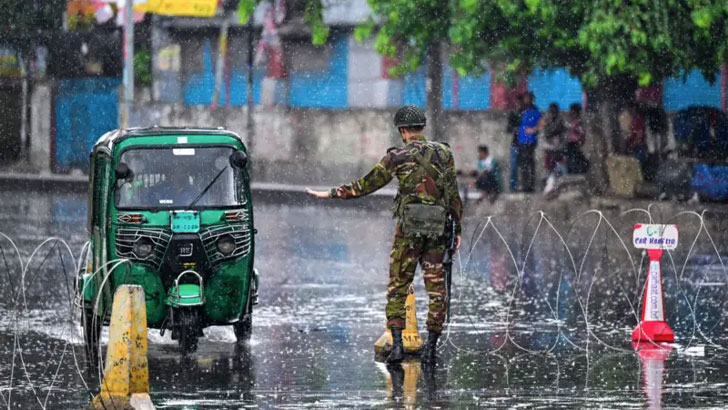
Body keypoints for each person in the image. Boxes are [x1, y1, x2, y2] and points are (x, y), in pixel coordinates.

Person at [305, 105, 463, 364]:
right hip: (438, 232)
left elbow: (366, 185)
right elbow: (453, 195)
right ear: (422, 127)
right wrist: (458, 229)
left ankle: (398, 346)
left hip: (408, 233)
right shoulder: (444, 154)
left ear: (402, 130)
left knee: (398, 287)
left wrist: (332, 193)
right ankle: (432, 348)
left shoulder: (396, 157)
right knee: (437, 291)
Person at [517, 92, 541, 192]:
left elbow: (541, 123)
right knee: (523, 164)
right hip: (521, 141)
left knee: (529, 163)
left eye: (528, 98)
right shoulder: (522, 110)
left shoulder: (535, 111)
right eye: (525, 98)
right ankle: (524, 185)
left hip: (530, 141)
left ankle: (530, 185)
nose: (526, 100)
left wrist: (533, 130)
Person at [506, 93, 525, 192]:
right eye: (518, 103)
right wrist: (516, 129)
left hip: (526, 144)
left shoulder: (527, 114)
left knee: (524, 167)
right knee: (513, 167)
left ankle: (523, 187)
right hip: (515, 144)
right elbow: (508, 129)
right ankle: (513, 187)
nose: (519, 104)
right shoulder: (513, 114)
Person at [565, 103, 589, 174]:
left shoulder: (578, 122)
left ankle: (578, 169)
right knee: (572, 157)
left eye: (572, 112)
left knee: (575, 157)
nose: (570, 113)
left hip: (575, 142)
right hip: (571, 142)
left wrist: (572, 127)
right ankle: (573, 170)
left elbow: (581, 132)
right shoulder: (573, 121)